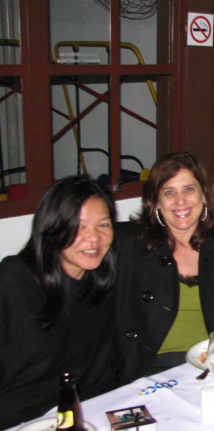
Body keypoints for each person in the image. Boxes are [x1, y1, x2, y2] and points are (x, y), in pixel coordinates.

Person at [113, 152, 214, 384]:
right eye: (169, 192)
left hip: (211, 365)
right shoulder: (129, 245)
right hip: (149, 371)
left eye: (189, 189)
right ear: (156, 201)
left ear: (204, 195)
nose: (180, 201)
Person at [0, 176, 117, 429]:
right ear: (53, 227)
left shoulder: (103, 286)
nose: (94, 238)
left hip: (77, 416)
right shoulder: (12, 281)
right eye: (79, 226)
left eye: (103, 224)